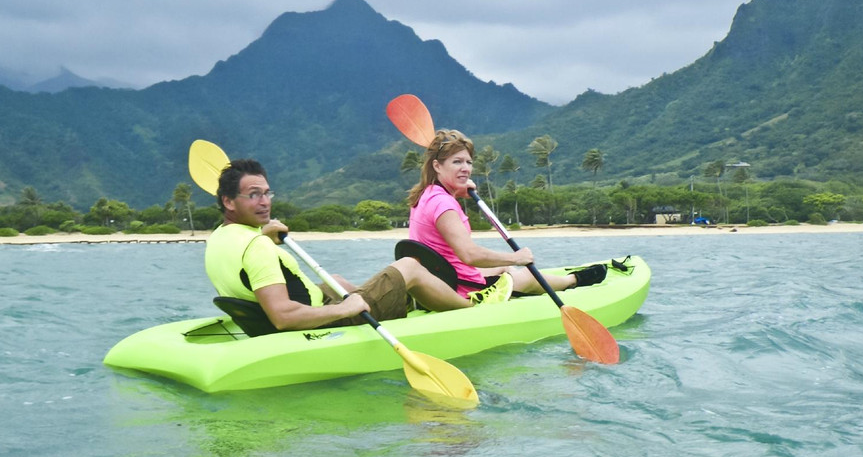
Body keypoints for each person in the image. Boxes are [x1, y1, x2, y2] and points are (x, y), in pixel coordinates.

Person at [205, 158, 504, 333]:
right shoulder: (256, 247)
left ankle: (405, 300)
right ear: (228, 201)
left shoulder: (222, 237)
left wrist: (263, 235)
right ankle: (470, 306)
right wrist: (344, 309)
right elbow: (283, 317)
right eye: (254, 195)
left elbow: (246, 264)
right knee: (410, 266)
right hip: (316, 324)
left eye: (267, 193)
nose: (265, 202)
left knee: (334, 280)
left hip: (294, 309)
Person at [406, 129, 607, 300]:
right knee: (522, 275)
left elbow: (438, 216)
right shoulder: (444, 204)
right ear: (437, 166)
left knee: (505, 270)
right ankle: (574, 281)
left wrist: (456, 189)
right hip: (461, 289)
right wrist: (515, 257)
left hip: (443, 278)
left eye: (468, 162)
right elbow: (469, 254)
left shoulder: (425, 194)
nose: (466, 168)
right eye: (457, 162)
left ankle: (563, 280)